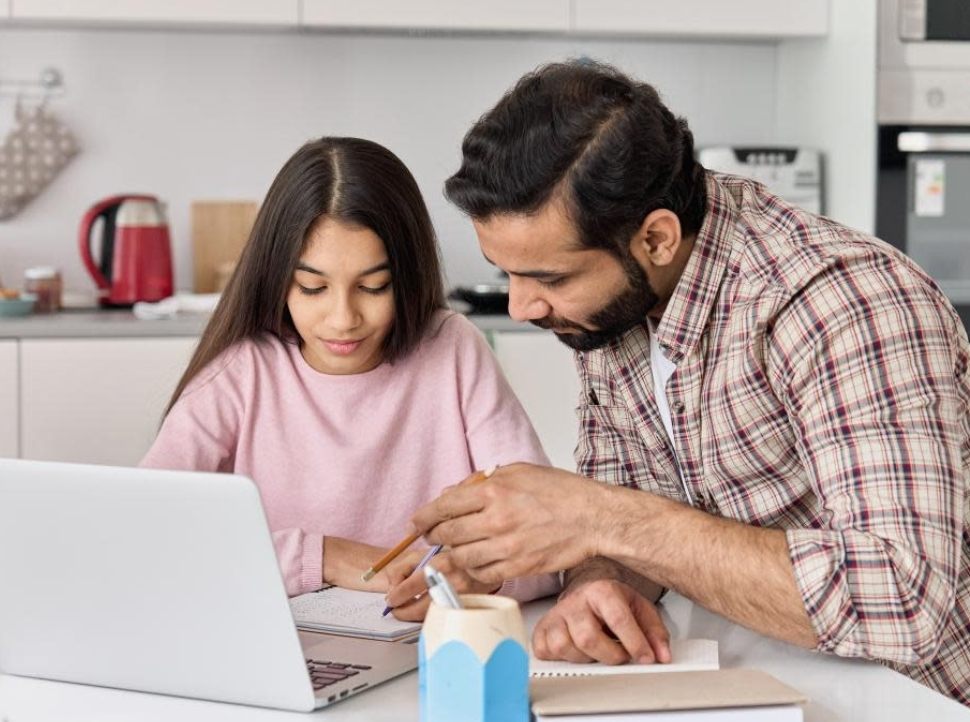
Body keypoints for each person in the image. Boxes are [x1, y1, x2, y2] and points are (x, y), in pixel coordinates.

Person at [386, 61, 970, 704]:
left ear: (656, 238)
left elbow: (906, 603)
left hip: (917, 699)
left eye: (549, 279)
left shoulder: (842, 302)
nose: (523, 306)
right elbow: (631, 512)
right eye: (508, 274)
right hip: (768, 681)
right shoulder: (612, 306)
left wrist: (596, 517)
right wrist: (598, 586)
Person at [141, 136, 558, 613]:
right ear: (277, 279)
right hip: (285, 652)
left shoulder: (453, 348)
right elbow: (147, 532)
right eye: (313, 287)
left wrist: (481, 581)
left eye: (373, 286)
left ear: (407, 277)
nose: (343, 319)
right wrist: (323, 557)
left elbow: (548, 536)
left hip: (427, 644)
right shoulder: (243, 371)